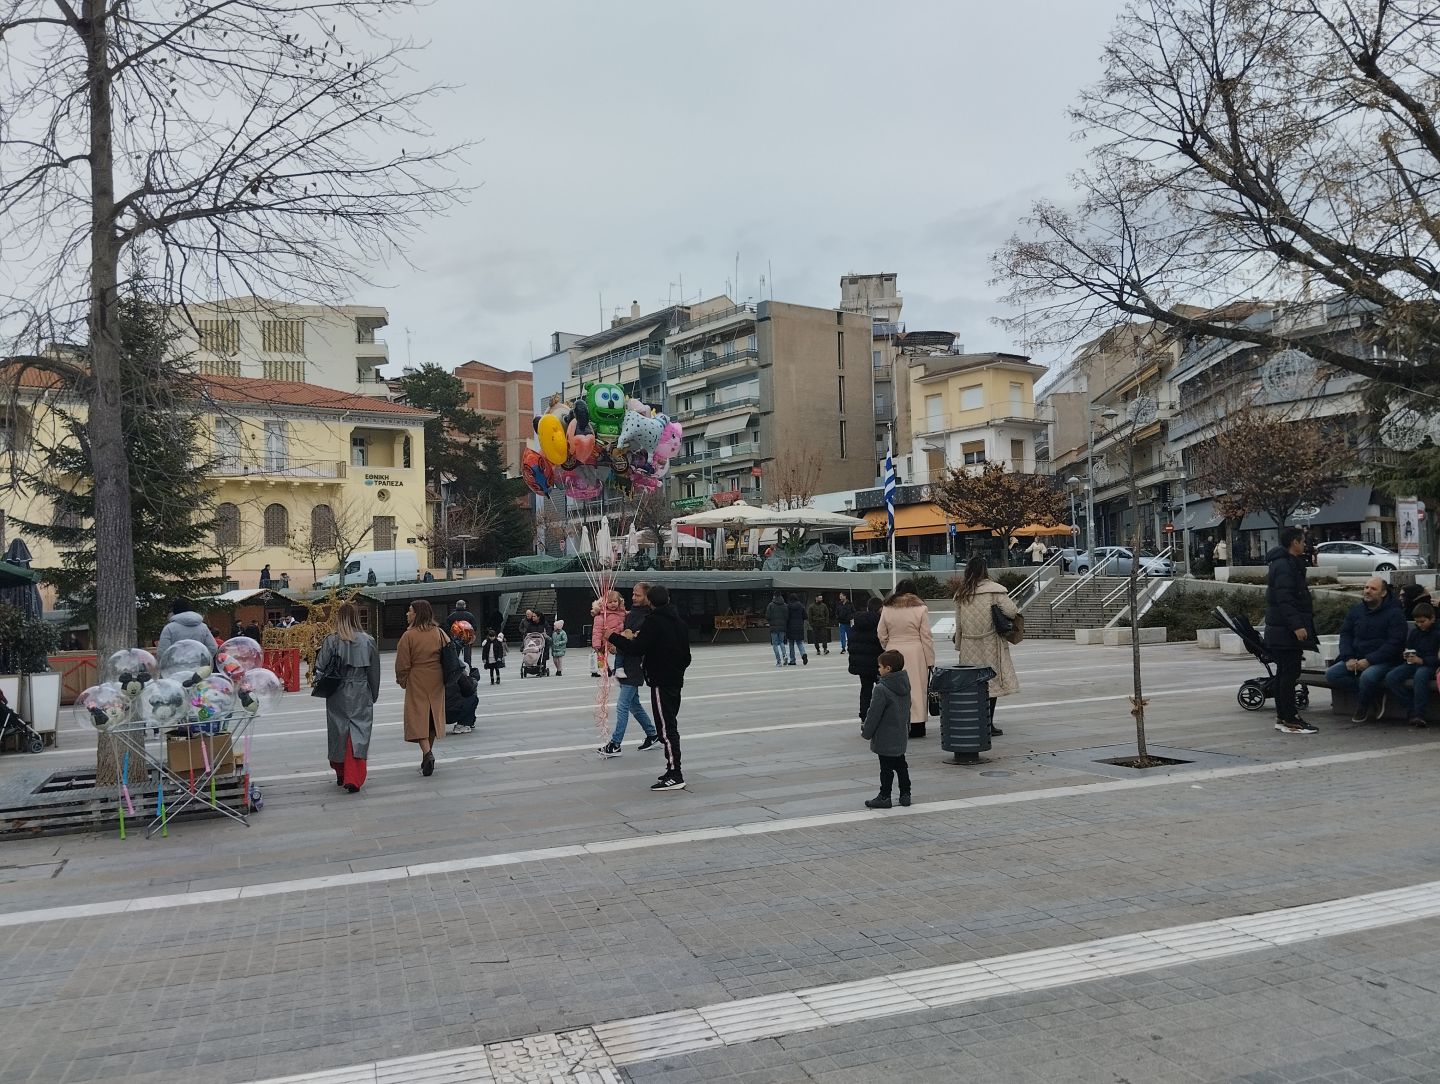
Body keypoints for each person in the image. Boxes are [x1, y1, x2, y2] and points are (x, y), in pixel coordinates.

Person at [611, 583, 692, 791]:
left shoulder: (654, 622)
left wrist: (612, 637)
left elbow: (637, 648)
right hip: (674, 680)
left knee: (666, 729)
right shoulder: (679, 622)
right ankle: (672, 769)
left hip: (661, 681)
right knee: (669, 724)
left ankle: (675, 773)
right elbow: (687, 656)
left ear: (651, 601)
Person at [951, 555, 1020, 739]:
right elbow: (1012, 611)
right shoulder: (994, 591)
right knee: (991, 682)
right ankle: (988, 723)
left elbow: (958, 624)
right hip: (990, 642)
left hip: (968, 644)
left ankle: (977, 720)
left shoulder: (962, 593)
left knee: (973, 684)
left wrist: (959, 645)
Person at [316, 602, 380, 793]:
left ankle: (340, 771)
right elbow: (374, 671)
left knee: (338, 730)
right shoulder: (368, 640)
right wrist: (373, 693)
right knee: (358, 731)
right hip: (360, 689)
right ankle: (354, 776)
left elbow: (320, 667)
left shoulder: (331, 640)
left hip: (337, 690)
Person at [1325, 576, 1407, 724]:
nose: (1367, 591)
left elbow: (1394, 643)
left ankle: (1363, 706)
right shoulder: (1356, 611)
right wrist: (1348, 657)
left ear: (1383, 593)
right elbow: (1346, 634)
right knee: (1332, 674)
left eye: (1373, 589)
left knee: (1368, 677)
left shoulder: (1395, 614)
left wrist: (1369, 660)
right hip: (1356, 657)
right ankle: (1372, 695)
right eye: (1366, 587)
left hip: (1385, 660)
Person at [1264, 527, 1320, 736]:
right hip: (1285, 631)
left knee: (1285, 674)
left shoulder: (1286, 564)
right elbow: (1285, 598)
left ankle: (1285, 716)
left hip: (1281, 629)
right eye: (1303, 540)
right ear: (1294, 543)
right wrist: (1297, 626)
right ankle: (1289, 717)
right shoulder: (1285, 566)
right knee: (1288, 674)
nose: (1305, 544)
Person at [598, 581, 661, 758]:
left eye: (637, 595)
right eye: (633, 594)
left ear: (647, 597)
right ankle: (653, 734)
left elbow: (635, 642)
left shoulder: (647, 618)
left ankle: (615, 744)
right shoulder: (631, 613)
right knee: (634, 705)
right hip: (624, 664)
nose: (633, 597)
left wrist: (618, 642)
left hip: (635, 666)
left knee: (622, 705)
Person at [394, 599, 447, 777]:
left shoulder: (409, 636)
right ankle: (427, 757)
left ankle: (427, 754)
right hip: (437, 678)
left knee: (417, 717)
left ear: (417, 614)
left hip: (417, 678)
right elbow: (449, 652)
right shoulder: (439, 632)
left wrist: (403, 680)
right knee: (432, 717)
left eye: (410, 611)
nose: (407, 614)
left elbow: (402, 664)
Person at [877, 579, 934, 738]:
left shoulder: (887, 608)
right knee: (917, 688)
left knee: (893, 688)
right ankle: (917, 725)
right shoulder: (921, 608)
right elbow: (926, 636)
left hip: (894, 650)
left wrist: (888, 645)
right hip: (916, 652)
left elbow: (881, 632)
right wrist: (930, 660)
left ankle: (898, 722)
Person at [861, 649, 912, 809]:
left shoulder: (881, 689)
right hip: (900, 733)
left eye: (880, 666)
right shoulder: (905, 685)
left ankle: (885, 796)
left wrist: (866, 732)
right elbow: (908, 708)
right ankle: (905, 794)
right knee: (901, 765)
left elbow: (874, 714)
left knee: (886, 769)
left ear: (888, 668)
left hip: (885, 736)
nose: (878, 669)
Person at [1385, 602, 1440, 727]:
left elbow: (1438, 657)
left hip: (1430, 665)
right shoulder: (1415, 633)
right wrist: (1406, 655)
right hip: (1413, 662)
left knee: (1420, 676)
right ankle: (1411, 709)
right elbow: (1409, 647)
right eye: (1417, 622)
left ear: (1432, 618)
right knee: (1392, 677)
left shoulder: (1437, 633)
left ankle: (1420, 714)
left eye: (1423, 621)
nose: (1420, 625)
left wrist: (1423, 661)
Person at [847, 596, 884, 721]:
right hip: (878, 664)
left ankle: (864, 718)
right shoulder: (880, 623)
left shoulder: (857, 623)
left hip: (862, 665)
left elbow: (851, 643)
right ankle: (881, 717)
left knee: (865, 691)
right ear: (880, 609)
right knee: (883, 692)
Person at [590, 594, 624, 676]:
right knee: (601, 656)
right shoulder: (601, 615)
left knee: (620, 653)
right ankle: (605, 669)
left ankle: (615, 669)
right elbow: (597, 631)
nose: (613, 604)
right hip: (606, 640)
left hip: (618, 638)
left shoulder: (621, 613)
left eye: (615, 601)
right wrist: (596, 644)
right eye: (610, 602)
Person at [446, 599, 479, 665]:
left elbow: (447, 628)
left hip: (456, 638)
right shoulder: (470, 615)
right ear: (464, 606)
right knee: (467, 657)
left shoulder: (451, 616)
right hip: (467, 638)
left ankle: (456, 669)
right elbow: (474, 627)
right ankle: (468, 669)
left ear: (456, 606)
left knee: (455, 655)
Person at [784, 592, 809, 666]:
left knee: (791, 644)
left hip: (790, 627)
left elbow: (786, 617)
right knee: (799, 643)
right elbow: (805, 616)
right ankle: (803, 654)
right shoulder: (801, 606)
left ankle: (792, 660)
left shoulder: (788, 606)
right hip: (799, 626)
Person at [765, 593, 789, 667]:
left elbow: (767, 616)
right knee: (781, 642)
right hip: (782, 627)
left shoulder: (771, 605)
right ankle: (784, 655)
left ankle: (779, 662)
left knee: (775, 644)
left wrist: (770, 621)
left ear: (774, 596)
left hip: (773, 627)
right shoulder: (784, 605)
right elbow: (787, 616)